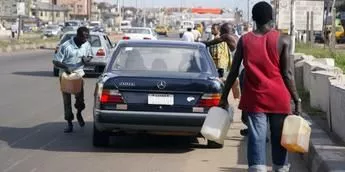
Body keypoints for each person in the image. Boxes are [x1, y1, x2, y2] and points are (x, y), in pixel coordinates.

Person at [218, 2, 302, 171]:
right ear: (271, 18)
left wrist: (223, 97)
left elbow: (233, 72)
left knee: (257, 137)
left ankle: (257, 168)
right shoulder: (283, 40)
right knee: (279, 137)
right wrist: (297, 99)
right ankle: (281, 168)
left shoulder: (245, 40)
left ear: (254, 19)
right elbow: (287, 74)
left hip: (255, 99)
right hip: (279, 99)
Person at [53, 26, 93, 133]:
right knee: (67, 101)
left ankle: (79, 113)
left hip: (78, 75)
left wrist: (86, 60)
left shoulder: (86, 45)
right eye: (83, 38)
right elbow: (55, 61)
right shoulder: (65, 46)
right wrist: (66, 67)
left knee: (80, 100)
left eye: (87, 38)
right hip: (65, 76)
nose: (85, 40)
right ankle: (69, 123)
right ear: (78, 35)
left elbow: (90, 56)